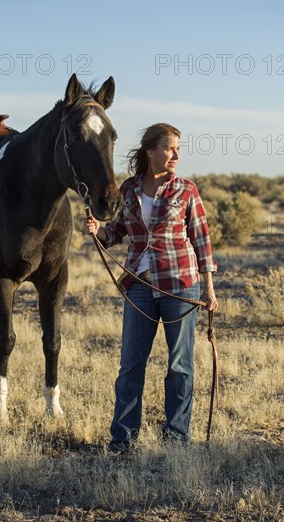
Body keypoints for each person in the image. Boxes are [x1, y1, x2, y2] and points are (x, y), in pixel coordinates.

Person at [84, 123, 218, 453]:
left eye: (177, 148)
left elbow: (201, 240)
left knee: (179, 365)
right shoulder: (128, 189)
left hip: (181, 286)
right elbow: (118, 233)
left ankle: (175, 439)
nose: (176, 154)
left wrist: (209, 289)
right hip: (139, 285)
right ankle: (123, 439)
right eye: (169, 148)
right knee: (131, 365)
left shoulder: (187, 190)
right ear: (150, 152)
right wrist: (98, 231)